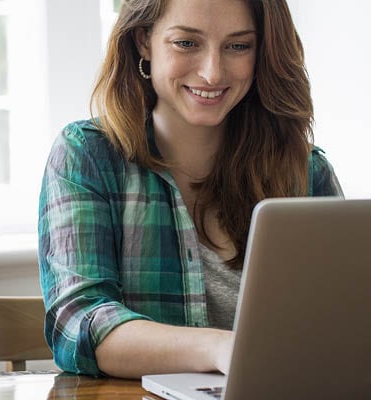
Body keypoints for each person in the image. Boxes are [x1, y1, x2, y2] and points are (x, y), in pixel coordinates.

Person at [37, 0, 343, 379]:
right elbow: (78, 324)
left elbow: (344, 318)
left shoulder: (306, 172)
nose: (212, 73)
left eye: (238, 46)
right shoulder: (87, 155)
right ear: (144, 41)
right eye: (186, 43)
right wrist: (221, 349)